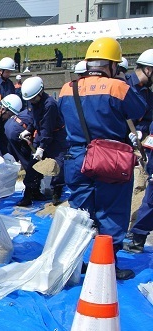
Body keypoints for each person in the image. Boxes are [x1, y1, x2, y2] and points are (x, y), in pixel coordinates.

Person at [57, 37, 147, 280]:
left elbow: (63, 116)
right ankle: (108, 266)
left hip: (76, 158)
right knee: (111, 212)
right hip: (109, 158)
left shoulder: (68, 88)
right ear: (112, 65)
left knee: (80, 212)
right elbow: (139, 111)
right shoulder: (118, 87)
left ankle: (73, 265)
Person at [20, 76, 67, 204]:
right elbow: (34, 119)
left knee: (58, 166)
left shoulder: (50, 105)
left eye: (34, 98)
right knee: (33, 165)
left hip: (56, 137)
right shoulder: (31, 101)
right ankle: (30, 194)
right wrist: (28, 130)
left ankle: (56, 194)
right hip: (41, 133)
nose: (32, 101)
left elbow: (48, 128)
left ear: (41, 92)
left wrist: (41, 148)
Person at [125, 50, 153, 253]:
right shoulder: (124, 86)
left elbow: (148, 118)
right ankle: (129, 230)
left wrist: (141, 133)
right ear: (148, 69)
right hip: (118, 147)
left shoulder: (147, 94)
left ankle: (135, 232)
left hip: (139, 147)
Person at [5, 108, 47, 206]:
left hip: (12, 126)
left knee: (30, 163)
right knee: (32, 164)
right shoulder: (45, 112)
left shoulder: (38, 107)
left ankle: (34, 192)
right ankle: (29, 195)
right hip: (19, 130)